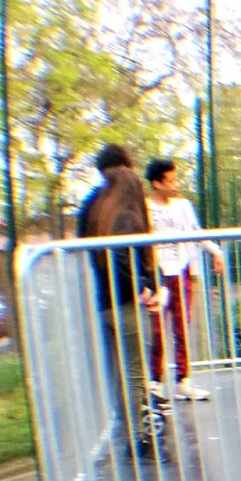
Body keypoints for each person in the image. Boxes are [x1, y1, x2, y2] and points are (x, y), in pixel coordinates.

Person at [80, 145, 166, 454]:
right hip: (126, 304)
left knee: (119, 374)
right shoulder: (127, 206)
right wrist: (144, 286)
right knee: (135, 373)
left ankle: (129, 432)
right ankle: (143, 438)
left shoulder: (92, 206)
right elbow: (127, 257)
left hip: (103, 303)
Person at [144, 158, 223, 401]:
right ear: (157, 183)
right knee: (157, 330)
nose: (175, 184)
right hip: (158, 273)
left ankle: (184, 380)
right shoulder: (145, 207)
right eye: (170, 180)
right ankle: (155, 380)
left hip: (181, 270)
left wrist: (215, 252)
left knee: (182, 326)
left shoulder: (183, 206)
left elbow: (195, 233)